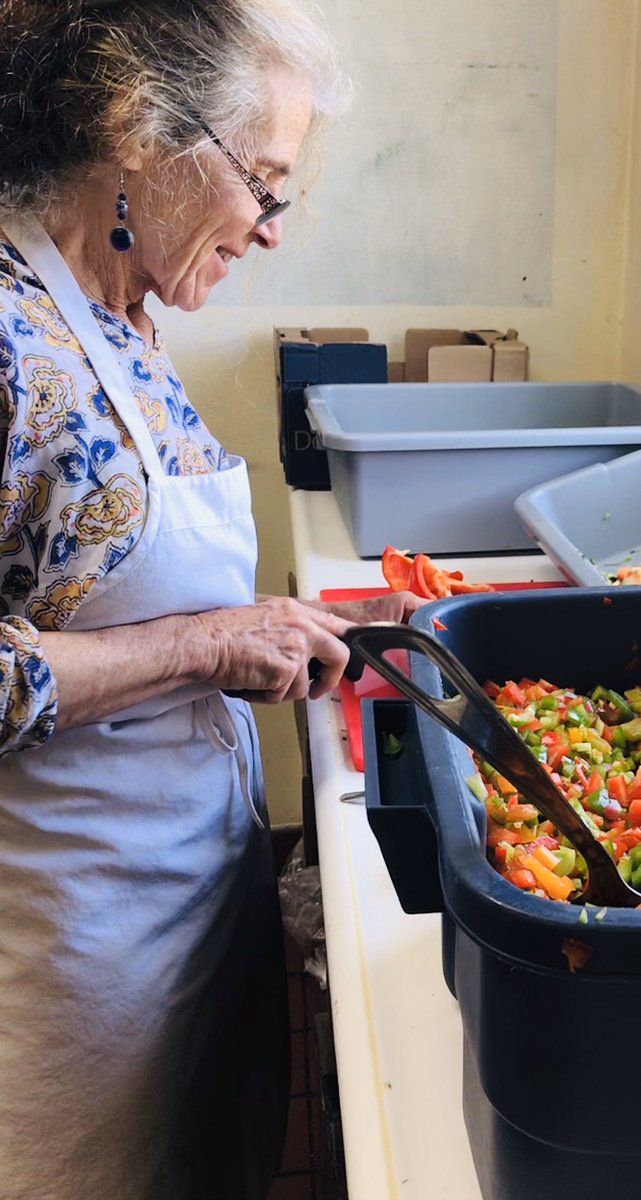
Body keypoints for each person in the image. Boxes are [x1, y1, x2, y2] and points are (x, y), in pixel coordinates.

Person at [0, 2, 422, 1197]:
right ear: (137, 127)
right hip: (70, 954)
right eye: (265, 184)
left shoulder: (118, 316)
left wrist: (307, 633)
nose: (271, 230)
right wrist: (203, 646)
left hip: (186, 900)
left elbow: (97, 596)